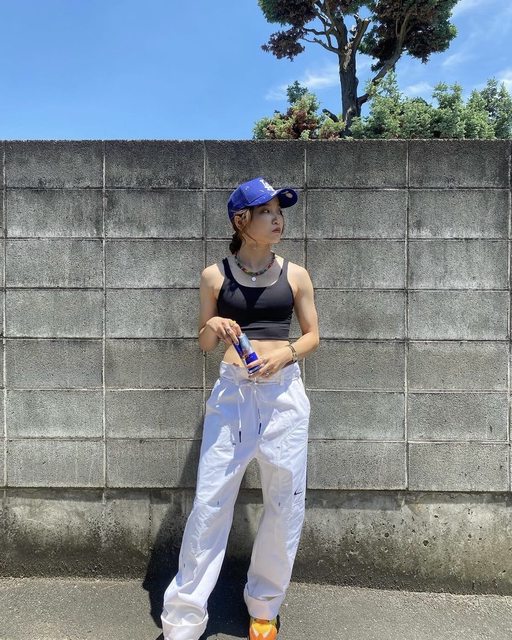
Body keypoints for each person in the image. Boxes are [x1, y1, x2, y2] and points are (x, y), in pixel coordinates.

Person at [161, 176, 320, 640]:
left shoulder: (296, 274)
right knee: (211, 501)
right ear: (240, 220)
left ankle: (265, 606)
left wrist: (285, 354)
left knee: (284, 502)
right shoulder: (215, 275)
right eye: (266, 212)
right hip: (232, 394)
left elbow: (313, 336)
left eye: (279, 212)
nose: (277, 219)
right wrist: (213, 323)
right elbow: (204, 343)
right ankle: (184, 618)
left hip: (283, 396)